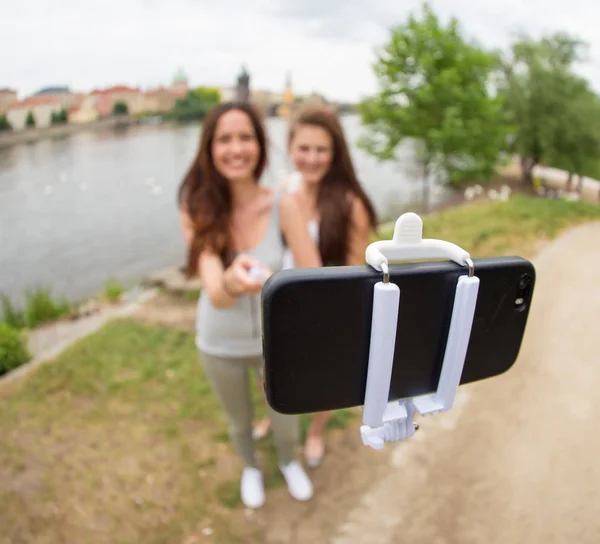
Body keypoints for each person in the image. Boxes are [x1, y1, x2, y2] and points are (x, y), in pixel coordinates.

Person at [177, 102, 322, 509]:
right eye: (224, 139)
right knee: (239, 419)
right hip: (218, 341)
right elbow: (216, 294)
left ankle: (288, 462)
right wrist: (231, 279)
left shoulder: (283, 204)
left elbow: (312, 275)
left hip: (275, 341)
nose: (236, 148)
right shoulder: (196, 208)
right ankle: (250, 469)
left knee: (285, 412)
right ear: (209, 149)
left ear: (260, 145)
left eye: (246, 137)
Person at [252, 104, 378, 468]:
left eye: (321, 149)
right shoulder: (283, 191)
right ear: (290, 147)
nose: (311, 158)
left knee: (322, 379)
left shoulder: (352, 205)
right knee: (272, 371)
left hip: (331, 306)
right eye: (303, 148)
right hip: (287, 302)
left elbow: (357, 271)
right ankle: (271, 415)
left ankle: (316, 432)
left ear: (335, 153)